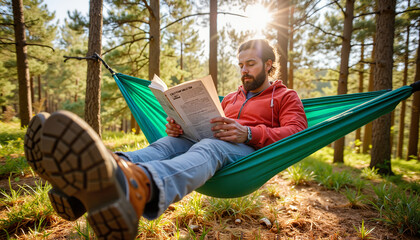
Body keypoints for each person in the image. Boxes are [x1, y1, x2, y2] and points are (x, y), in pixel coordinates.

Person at [24, 39, 308, 239]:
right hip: (212, 143)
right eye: (241, 64)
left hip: (249, 156)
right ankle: (102, 173)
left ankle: (139, 187)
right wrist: (180, 126)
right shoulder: (231, 97)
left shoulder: (285, 97)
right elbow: (209, 124)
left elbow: (298, 134)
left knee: (210, 147)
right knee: (167, 143)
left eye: (251, 64)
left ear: (269, 65)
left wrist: (248, 132)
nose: (244, 70)